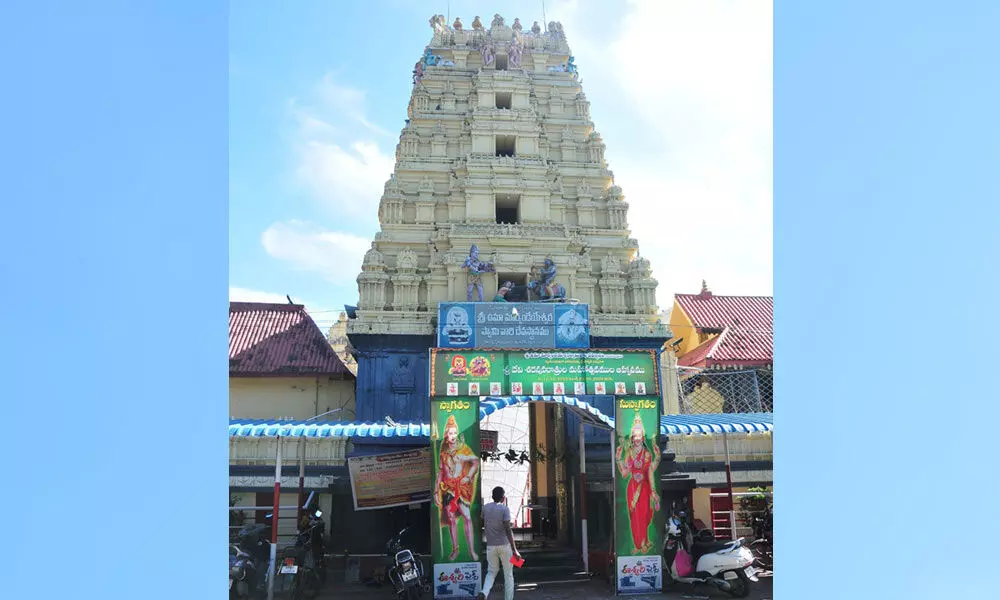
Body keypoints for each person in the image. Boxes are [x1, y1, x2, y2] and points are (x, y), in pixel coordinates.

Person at [434, 414, 480, 561]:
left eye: (454, 432)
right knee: (451, 519)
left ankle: (472, 550)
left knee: (467, 517)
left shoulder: (463, 449)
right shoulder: (443, 454)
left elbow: (475, 462)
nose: (452, 435)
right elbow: (440, 473)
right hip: (448, 489)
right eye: (450, 433)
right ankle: (455, 549)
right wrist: (436, 491)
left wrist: (468, 476)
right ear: (446, 434)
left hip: (461, 489)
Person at [615, 411, 661, 554]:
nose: (637, 439)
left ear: (643, 437)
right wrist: (618, 458)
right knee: (634, 517)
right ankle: (638, 544)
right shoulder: (628, 452)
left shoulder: (647, 454)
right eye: (634, 437)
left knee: (645, 515)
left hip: (645, 488)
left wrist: (653, 492)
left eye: (639, 436)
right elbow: (624, 474)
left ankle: (645, 542)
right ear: (632, 438)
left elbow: (650, 472)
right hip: (632, 489)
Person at [479, 486, 521, 600]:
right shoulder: (504, 509)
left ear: (492, 496)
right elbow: (508, 529)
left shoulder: (485, 508)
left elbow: (482, 523)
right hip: (505, 546)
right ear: (503, 498)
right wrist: (514, 549)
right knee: (508, 575)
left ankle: (484, 592)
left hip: (491, 546)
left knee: (491, 572)